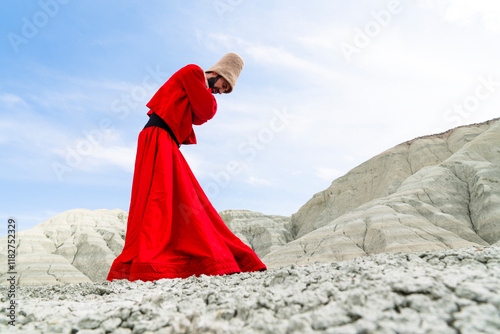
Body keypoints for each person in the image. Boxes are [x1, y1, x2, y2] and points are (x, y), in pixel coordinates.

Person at [107, 53, 267, 281]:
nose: (221, 92)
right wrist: (207, 100)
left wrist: (207, 100)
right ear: (218, 73)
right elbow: (207, 110)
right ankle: (153, 255)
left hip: (166, 140)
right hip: (158, 136)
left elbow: (202, 116)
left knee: (182, 197)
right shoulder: (193, 72)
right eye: (224, 85)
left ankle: (191, 256)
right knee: (159, 196)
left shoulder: (198, 86)